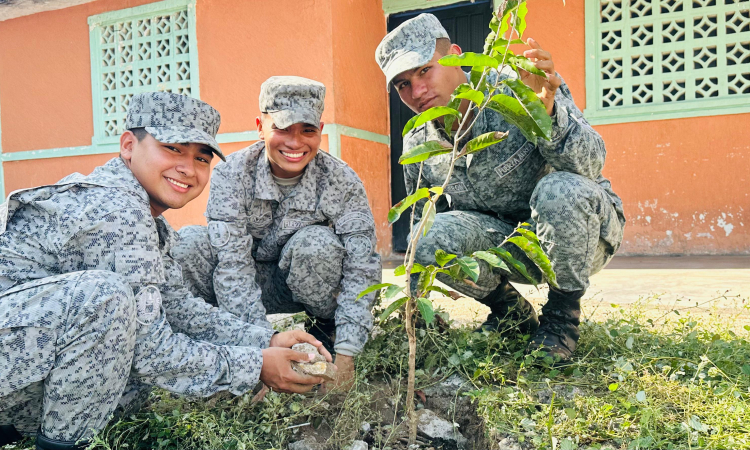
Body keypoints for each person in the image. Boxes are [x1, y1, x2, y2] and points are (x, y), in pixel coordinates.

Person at [0, 92, 330, 450]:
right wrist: (255, 366)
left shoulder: (144, 217)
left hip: (18, 364)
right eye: (173, 148)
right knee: (106, 301)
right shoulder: (116, 210)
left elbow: (177, 306)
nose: (188, 168)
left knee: (128, 352)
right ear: (129, 145)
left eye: (202, 157)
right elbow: (153, 352)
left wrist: (264, 341)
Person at [375, 13, 626, 362]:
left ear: (458, 57)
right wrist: (414, 307)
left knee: (559, 190)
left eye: (423, 71)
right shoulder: (419, 141)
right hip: (505, 245)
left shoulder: (520, 87)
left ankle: (561, 317)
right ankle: (511, 311)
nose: (416, 91)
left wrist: (548, 114)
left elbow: (591, 164)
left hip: (581, 232)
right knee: (428, 235)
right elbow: (425, 221)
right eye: (402, 84)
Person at [172, 76, 381, 389]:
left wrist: (347, 354)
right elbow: (232, 269)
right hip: (244, 285)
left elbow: (361, 266)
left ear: (320, 132)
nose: (295, 143)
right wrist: (258, 358)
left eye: (307, 130)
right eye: (282, 128)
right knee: (189, 244)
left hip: (302, 285)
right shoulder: (232, 174)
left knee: (316, 245)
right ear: (260, 126)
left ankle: (327, 327)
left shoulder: (341, 180)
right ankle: (204, 347)